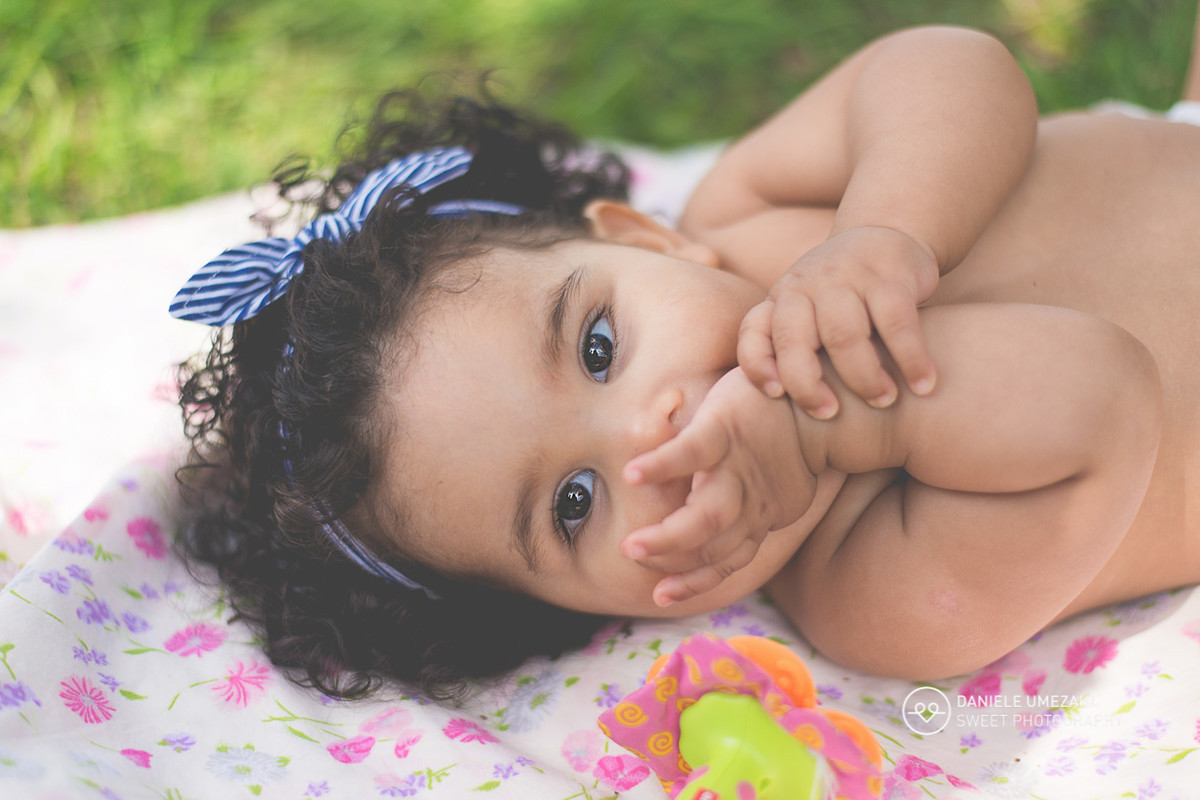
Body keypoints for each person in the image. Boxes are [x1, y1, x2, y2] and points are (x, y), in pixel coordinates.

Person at [173, 24, 1200, 700]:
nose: (642, 432)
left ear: (645, 239)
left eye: (598, 345)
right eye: (574, 504)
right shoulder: (869, 587)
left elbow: (953, 65)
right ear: (597, 610)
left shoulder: (740, 210)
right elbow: (1101, 396)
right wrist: (833, 419)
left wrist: (888, 226)